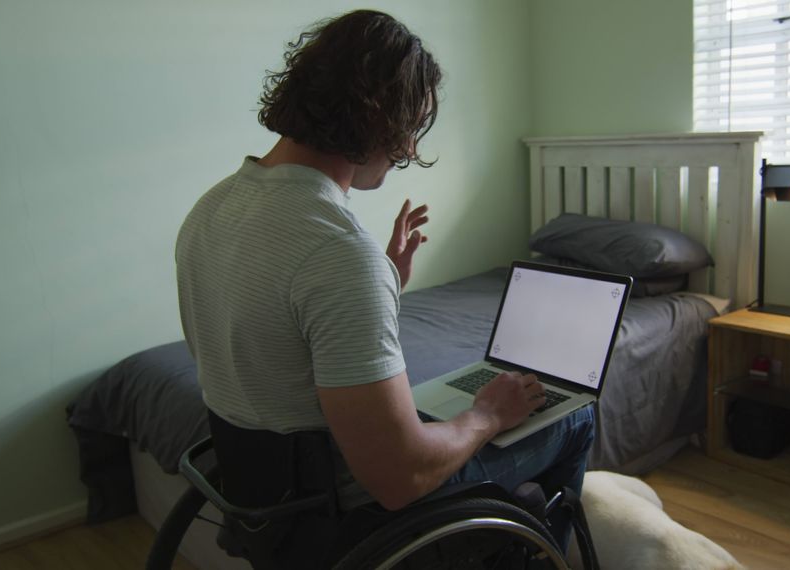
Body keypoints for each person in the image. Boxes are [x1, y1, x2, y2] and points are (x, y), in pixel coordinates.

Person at [175, 8, 593, 552]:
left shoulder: (212, 208)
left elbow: (267, 349)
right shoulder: (336, 249)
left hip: (265, 502)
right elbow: (400, 479)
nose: (410, 151)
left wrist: (385, 280)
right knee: (574, 418)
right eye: (411, 128)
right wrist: (486, 414)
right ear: (379, 118)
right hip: (349, 518)